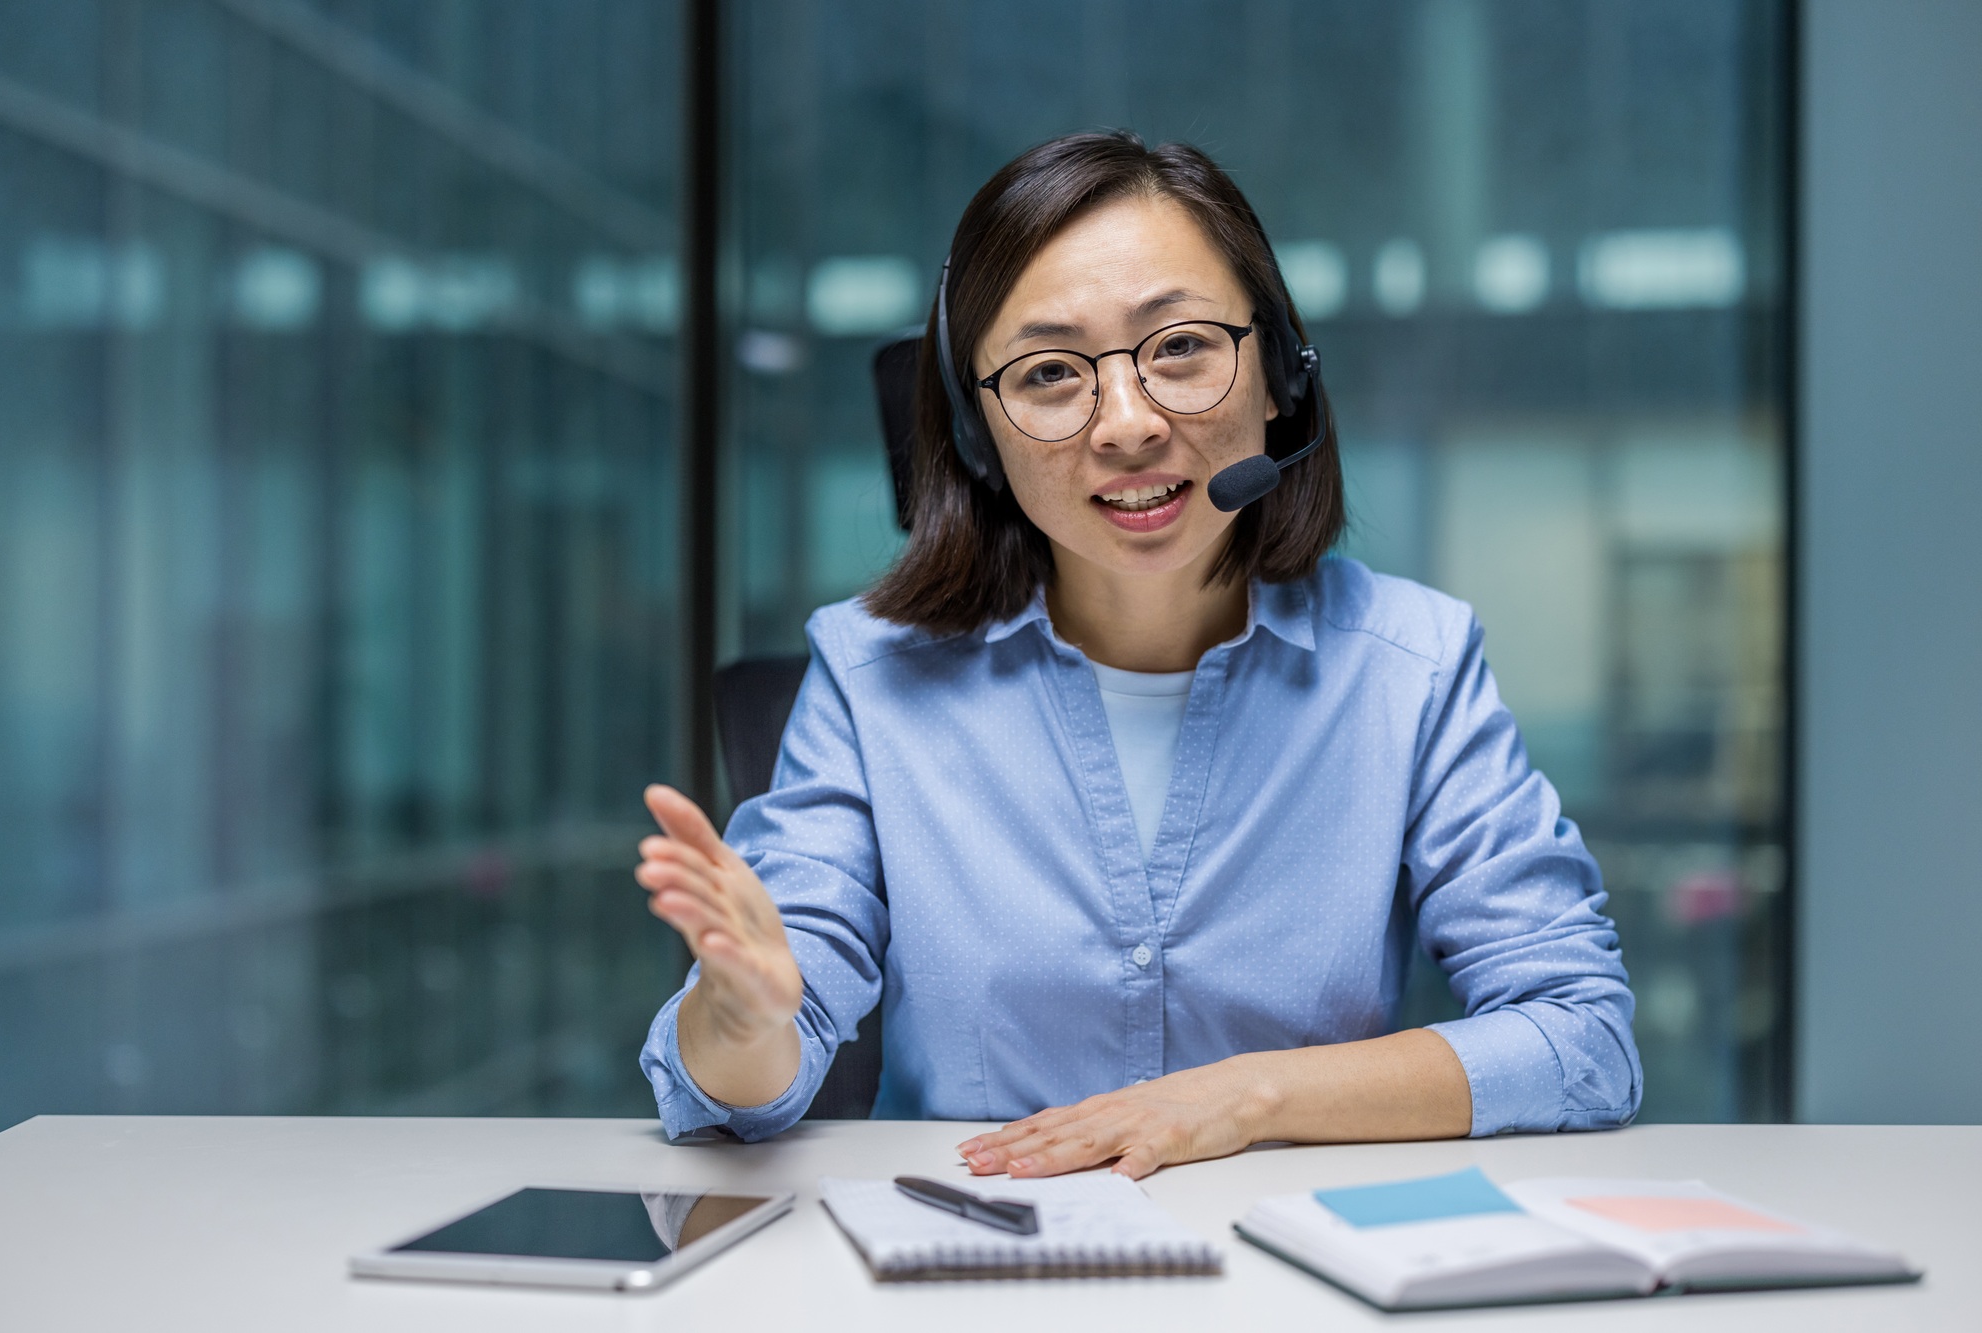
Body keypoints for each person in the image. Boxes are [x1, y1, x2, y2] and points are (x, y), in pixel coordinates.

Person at [636, 130, 1640, 1181]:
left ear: (1281, 376)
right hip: (973, 1261)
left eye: (1179, 349)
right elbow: (741, 1075)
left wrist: (1240, 1098)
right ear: (978, 436)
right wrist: (743, 1017)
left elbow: (1580, 1036)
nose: (1125, 425)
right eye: (1049, 373)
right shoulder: (867, 675)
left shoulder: (1412, 669)